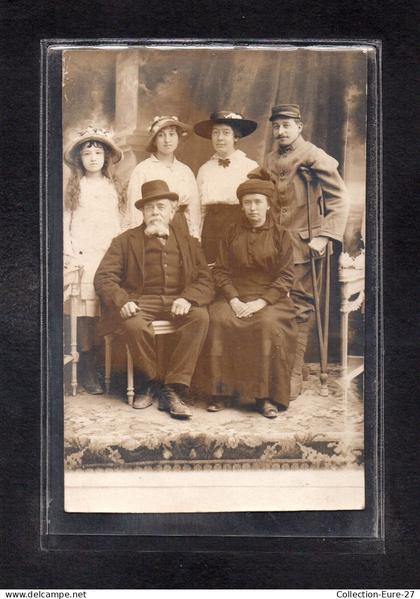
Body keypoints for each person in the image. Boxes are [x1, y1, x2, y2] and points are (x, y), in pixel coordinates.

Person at [94, 180, 214, 419]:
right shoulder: (124, 241)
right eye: (150, 208)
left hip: (176, 300)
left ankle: (173, 387)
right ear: (142, 212)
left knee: (200, 317)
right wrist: (122, 301)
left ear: (172, 211)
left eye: (161, 207)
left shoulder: (190, 243)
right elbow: (104, 277)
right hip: (140, 301)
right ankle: (150, 383)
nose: (155, 212)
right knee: (132, 324)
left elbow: (206, 279)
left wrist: (188, 298)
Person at [263, 104, 350, 400]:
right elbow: (253, 186)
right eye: (276, 126)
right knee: (273, 305)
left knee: (300, 307)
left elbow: (339, 199)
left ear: (300, 126)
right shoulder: (270, 159)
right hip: (274, 248)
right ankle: (271, 369)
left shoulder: (314, 155)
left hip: (305, 246)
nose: (281, 131)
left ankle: (293, 371)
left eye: (287, 125)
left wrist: (325, 236)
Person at [197, 173, 297, 418]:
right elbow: (220, 271)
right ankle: (220, 392)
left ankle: (264, 397)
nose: (253, 208)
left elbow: (285, 276)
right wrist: (233, 299)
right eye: (248, 203)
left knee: (266, 324)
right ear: (241, 205)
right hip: (234, 295)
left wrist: (260, 303)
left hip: (269, 298)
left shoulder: (281, 235)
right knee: (218, 319)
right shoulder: (231, 232)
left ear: (268, 204)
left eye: (258, 202)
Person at [63, 126, 127, 394]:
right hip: (83, 256)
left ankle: (107, 366)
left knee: (108, 309)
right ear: (80, 158)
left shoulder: (114, 187)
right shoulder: (74, 187)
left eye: (98, 152)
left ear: (106, 157)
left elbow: (121, 223)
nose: (92, 157)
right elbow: (65, 223)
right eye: (87, 153)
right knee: (85, 315)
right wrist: (70, 253)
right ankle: (87, 368)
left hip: (109, 255)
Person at [194, 111, 259, 263]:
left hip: (238, 225)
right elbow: (200, 209)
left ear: (236, 137)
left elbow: (256, 203)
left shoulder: (250, 167)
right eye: (215, 133)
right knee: (211, 269)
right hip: (210, 229)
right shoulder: (205, 169)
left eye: (225, 133)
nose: (220, 138)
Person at [127, 115, 201, 238]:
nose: (167, 140)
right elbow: (134, 210)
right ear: (154, 141)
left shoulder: (185, 171)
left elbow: (194, 210)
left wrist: (194, 238)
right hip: (153, 226)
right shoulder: (142, 170)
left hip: (181, 228)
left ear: (178, 138)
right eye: (161, 135)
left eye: (172, 134)